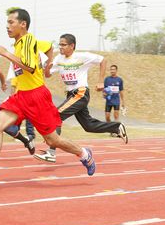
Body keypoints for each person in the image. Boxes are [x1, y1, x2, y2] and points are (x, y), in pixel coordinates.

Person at [0, 8, 96, 184]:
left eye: (11, 22)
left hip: (36, 96)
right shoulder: (22, 43)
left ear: (23, 24)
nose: (7, 26)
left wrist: (6, 54)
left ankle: (84, 154)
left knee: (52, 139)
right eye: (7, 22)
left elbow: (30, 67)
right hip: (21, 96)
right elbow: (48, 46)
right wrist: (48, 63)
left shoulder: (27, 40)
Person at [35, 34, 128, 163]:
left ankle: (51, 152)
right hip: (71, 95)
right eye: (59, 44)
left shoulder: (82, 56)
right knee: (88, 125)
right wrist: (46, 69)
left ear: (72, 46)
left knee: (56, 115)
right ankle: (116, 127)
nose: (60, 47)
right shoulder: (58, 59)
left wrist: (101, 81)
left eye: (63, 44)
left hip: (80, 93)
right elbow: (48, 75)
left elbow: (103, 60)